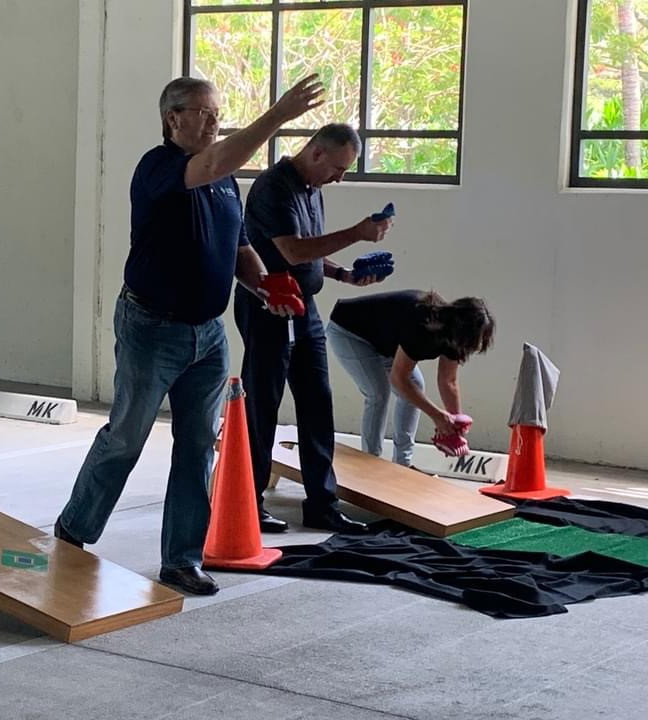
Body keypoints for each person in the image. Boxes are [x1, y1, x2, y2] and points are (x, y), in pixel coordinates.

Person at [55, 74, 324, 595]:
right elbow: (215, 162)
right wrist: (278, 116)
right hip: (151, 329)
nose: (213, 119)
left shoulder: (225, 182)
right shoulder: (159, 168)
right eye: (202, 112)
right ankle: (75, 528)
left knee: (199, 446)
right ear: (172, 118)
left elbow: (238, 244)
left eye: (216, 111)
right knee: (126, 438)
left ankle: (181, 559)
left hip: (208, 334)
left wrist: (264, 284)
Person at [235, 124, 392, 534]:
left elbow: (309, 255)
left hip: (305, 310)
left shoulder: (312, 189)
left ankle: (323, 503)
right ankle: (248, 502)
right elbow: (291, 250)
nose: (340, 178)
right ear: (317, 153)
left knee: (318, 405)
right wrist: (356, 233)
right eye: (339, 168)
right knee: (262, 408)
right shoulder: (275, 187)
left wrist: (344, 274)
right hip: (267, 307)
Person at [326, 290, 495, 467]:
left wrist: (455, 426)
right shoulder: (424, 326)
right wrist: (438, 416)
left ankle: (402, 463)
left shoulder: (455, 336)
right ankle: (370, 462)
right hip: (349, 332)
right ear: (461, 330)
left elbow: (448, 381)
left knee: (416, 387)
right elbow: (399, 379)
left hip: (384, 342)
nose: (471, 347)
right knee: (378, 393)